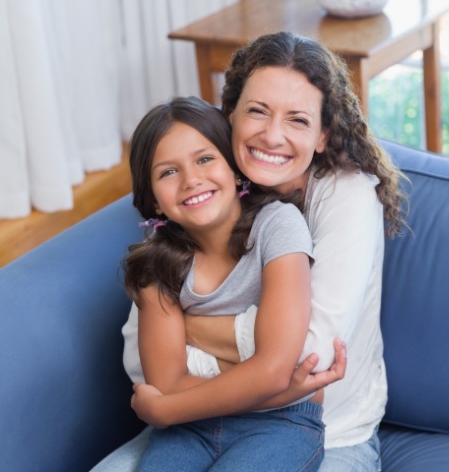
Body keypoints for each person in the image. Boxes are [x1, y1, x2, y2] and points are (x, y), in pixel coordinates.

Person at [92, 31, 406, 472]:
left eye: (297, 119)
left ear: (322, 134)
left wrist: (182, 324)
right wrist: (263, 349)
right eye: (257, 111)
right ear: (230, 115)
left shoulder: (343, 197)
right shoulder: (206, 184)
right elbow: (139, 358)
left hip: (326, 432)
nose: (272, 135)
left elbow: (307, 354)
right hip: (196, 420)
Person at [123, 95, 326, 471]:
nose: (191, 180)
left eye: (204, 159)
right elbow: (166, 381)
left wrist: (165, 409)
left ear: (235, 170)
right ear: (153, 201)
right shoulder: (156, 261)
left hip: (278, 426)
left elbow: (275, 368)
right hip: (189, 427)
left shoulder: (277, 226)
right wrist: (274, 388)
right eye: (168, 172)